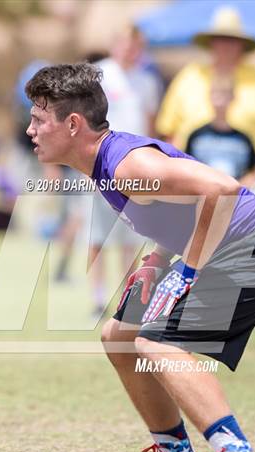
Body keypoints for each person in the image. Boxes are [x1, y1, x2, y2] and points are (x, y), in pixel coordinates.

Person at [25, 62, 255, 452]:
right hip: (233, 248)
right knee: (120, 336)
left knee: (158, 344)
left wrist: (188, 272)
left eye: (40, 119)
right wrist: (158, 260)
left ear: (73, 124)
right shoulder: (105, 164)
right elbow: (180, 210)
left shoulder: (126, 164)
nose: (30, 130)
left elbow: (221, 189)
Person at [156, 7, 255, 177]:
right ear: (211, 43)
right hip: (193, 181)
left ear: (242, 44)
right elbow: (168, 132)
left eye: (231, 39)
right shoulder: (189, 76)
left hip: (252, 183)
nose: (225, 45)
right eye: (220, 39)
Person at [87, 25, 162, 316]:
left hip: (138, 170)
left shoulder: (146, 81)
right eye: (126, 45)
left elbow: (150, 125)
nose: (131, 51)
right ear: (114, 44)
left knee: (132, 238)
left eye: (136, 46)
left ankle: (127, 297)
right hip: (103, 166)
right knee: (98, 236)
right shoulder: (99, 75)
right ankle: (97, 296)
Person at [185, 76, 255, 186]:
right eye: (216, 94)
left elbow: (252, 172)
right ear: (209, 96)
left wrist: (237, 189)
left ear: (233, 98)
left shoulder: (243, 139)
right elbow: (186, 168)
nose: (220, 101)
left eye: (224, 95)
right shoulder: (196, 136)